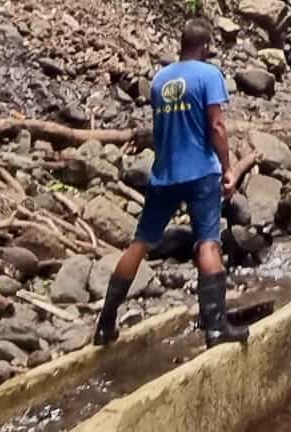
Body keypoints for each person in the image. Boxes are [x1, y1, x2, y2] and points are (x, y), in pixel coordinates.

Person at [95, 17, 249, 348]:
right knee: (208, 243)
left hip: (164, 175)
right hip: (201, 173)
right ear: (206, 46)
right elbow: (217, 127)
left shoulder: (160, 80)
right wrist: (228, 168)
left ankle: (106, 323)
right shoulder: (209, 75)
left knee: (139, 243)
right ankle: (217, 328)